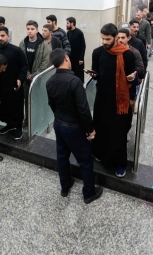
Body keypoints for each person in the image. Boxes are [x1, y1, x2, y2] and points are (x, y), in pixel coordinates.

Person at [46, 48, 103, 204]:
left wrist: (59, 117)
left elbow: (51, 104)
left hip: (59, 124)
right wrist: (90, 129)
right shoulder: (74, 81)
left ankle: (65, 187)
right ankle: (89, 192)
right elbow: (83, 109)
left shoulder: (50, 81)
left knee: (62, 156)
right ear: (66, 58)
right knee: (85, 159)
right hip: (73, 127)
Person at [89, 23, 137, 178]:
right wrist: (93, 74)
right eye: (102, 39)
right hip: (102, 98)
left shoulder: (127, 55)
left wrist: (131, 81)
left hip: (119, 101)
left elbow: (132, 78)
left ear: (116, 37)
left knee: (118, 133)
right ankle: (100, 154)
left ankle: (119, 163)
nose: (104, 42)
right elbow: (96, 72)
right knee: (101, 128)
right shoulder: (97, 52)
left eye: (107, 39)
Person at [0, 26, 27, 140]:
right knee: (5, 107)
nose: (0, 38)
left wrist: (20, 79)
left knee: (17, 107)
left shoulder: (16, 50)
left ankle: (18, 127)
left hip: (15, 85)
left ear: (8, 36)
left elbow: (24, 66)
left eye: (3, 36)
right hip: (1, 86)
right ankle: (10, 125)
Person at [19, 20, 51, 101]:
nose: (29, 31)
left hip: (38, 78)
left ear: (37, 30)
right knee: (25, 99)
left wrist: (34, 75)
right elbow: (20, 60)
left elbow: (45, 62)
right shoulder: (22, 43)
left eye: (32, 29)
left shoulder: (44, 45)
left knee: (36, 99)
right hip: (25, 77)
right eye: (28, 29)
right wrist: (27, 74)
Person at [66, 17, 86, 82]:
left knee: (79, 75)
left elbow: (83, 46)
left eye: (67, 23)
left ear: (72, 23)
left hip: (78, 59)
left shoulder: (79, 33)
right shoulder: (68, 33)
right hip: (71, 58)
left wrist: (81, 58)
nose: (66, 25)